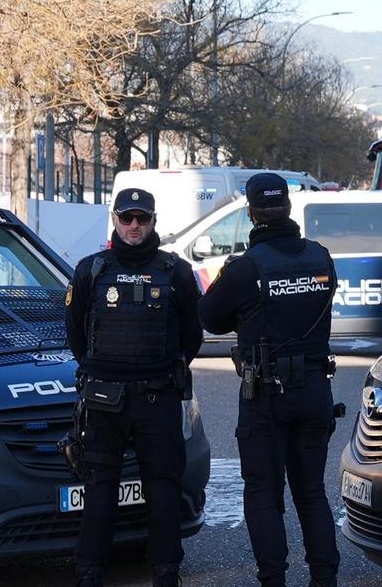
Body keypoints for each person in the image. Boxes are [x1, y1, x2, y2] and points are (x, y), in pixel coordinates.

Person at [198, 172, 340, 587]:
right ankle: (325, 579)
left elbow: (209, 316)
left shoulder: (246, 269)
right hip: (315, 389)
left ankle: (273, 580)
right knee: (311, 492)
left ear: (251, 213)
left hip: (266, 394)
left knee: (263, 494)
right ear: (290, 209)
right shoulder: (321, 257)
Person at [64, 188, 202, 587]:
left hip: (157, 396)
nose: (135, 226)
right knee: (100, 488)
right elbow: (75, 331)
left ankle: (165, 571)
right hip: (105, 399)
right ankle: (89, 571)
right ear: (115, 219)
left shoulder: (176, 272)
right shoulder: (91, 270)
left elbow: (192, 336)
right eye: (127, 218)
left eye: (142, 218)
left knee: (163, 488)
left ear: (154, 220)